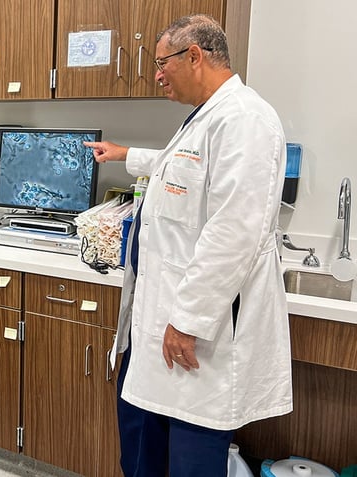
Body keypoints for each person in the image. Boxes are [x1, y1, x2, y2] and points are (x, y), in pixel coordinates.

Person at [84, 15, 292, 476]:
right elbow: (182, 168)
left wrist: (188, 319)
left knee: (189, 461)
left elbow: (234, 231)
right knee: (144, 454)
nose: (157, 74)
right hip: (161, 326)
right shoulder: (206, 117)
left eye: (162, 63)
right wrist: (126, 156)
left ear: (194, 56)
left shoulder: (246, 118)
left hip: (194, 337)